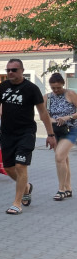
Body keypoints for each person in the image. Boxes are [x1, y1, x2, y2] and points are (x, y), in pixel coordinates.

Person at [0, 58, 56, 215]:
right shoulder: (3, 87)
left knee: (21, 166)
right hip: (7, 133)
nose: (10, 73)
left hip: (26, 133)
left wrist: (50, 134)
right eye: (8, 70)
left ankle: (17, 203)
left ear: (22, 71)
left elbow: (43, 112)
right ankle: (26, 187)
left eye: (14, 70)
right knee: (8, 168)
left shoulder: (31, 89)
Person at [44, 73, 77, 201]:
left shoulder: (70, 94)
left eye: (58, 87)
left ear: (63, 84)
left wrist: (67, 117)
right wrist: (52, 120)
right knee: (63, 159)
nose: (56, 90)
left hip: (71, 130)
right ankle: (68, 188)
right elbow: (44, 115)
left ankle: (61, 189)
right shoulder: (47, 97)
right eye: (53, 88)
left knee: (59, 157)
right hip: (55, 130)